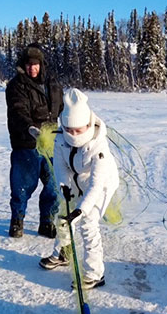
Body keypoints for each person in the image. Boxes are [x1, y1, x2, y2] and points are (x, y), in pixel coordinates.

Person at [39, 89, 119, 290]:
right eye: (70, 130)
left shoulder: (99, 147)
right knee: (63, 216)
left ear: (88, 125)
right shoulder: (60, 138)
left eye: (79, 130)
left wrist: (80, 210)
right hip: (74, 180)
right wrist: (64, 187)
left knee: (88, 223)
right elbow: (60, 166)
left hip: (101, 183)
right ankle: (63, 253)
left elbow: (96, 185)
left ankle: (94, 274)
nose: (74, 135)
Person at [5, 43, 64, 238]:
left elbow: (63, 108)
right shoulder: (16, 85)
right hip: (27, 143)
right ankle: (17, 220)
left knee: (54, 186)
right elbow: (18, 110)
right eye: (29, 64)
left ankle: (47, 221)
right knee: (22, 186)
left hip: (52, 144)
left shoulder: (53, 84)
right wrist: (30, 128)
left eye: (36, 64)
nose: (32, 68)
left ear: (42, 64)